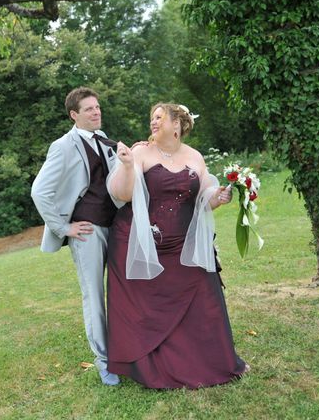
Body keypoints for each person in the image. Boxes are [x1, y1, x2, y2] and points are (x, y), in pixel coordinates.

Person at [105, 102, 249, 389]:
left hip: (184, 245)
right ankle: (155, 367)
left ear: (177, 124)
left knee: (204, 295)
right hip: (144, 243)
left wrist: (218, 198)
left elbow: (202, 201)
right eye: (151, 119)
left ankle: (211, 362)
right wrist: (127, 164)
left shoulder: (195, 157)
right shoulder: (140, 152)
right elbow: (122, 194)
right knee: (147, 307)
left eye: (159, 117)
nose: (153, 122)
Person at [31, 87, 121, 386]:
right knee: (94, 296)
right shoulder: (63, 146)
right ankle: (105, 361)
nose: (96, 112)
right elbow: (39, 191)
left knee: (125, 292)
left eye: (97, 107)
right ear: (74, 115)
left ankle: (129, 350)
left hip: (117, 226)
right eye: (89, 109)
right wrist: (63, 228)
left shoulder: (105, 139)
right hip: (87, 232)